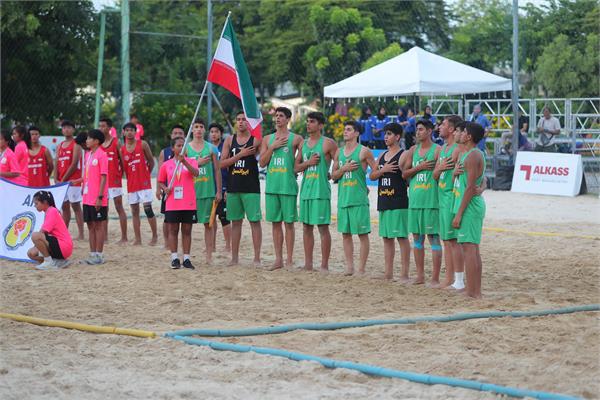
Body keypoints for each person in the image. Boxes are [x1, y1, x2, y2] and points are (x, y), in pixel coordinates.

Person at [332, 120, 378, 276]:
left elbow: (375, 172)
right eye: (345, 129)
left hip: (358, 199)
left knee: (362, 234)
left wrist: (366, 186)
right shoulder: (339, 152)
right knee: (346, 234)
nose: (345, 132)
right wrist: (344, 168)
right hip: (343, 198)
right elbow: (333, 175)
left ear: (357, 133)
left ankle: (361, 268)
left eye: (349, 129)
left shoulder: (364, 151)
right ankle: (349, 266)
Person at [259, 106, 303, 271]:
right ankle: (278, 259)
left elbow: (300, 162)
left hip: (288, 186)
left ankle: (290, 260)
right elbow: (262, 163)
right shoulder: (267, 139)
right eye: (276, 115)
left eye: (281, 116)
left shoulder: (296, 139)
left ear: (288, 119)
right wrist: (272, 147)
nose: (277, 118)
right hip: (272, 186)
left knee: (289, 224)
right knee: (275, 224)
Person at [401, 119, 442, 286]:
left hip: (431, 201)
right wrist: (421, 167)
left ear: (430, 131)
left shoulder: (438, 150)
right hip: (415, 201)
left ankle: (435, 278)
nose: (417, 132)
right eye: (417, 130)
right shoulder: (413, 150)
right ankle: (420, 276)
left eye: (421, 130)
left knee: (434, 239)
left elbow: (441, 173)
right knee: (417, 240)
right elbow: (404, 173)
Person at [294, 111, 336, 272]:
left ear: (320, 125)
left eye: (311, 121)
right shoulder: (302, 144)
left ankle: (324, 265)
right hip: (306, 190)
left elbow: (337, 163)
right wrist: (309, 163)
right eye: (307, 121)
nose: (308, 124)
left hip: (320, 191)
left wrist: (331, 173)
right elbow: (295, 168)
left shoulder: (328, 143)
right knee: (306, 227)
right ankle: (308, 263)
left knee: (323, 228)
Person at [369, 123, 410, 282]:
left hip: (398, 201)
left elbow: (407, 176)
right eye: (385, 134)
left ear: (398, 137)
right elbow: (372, 176)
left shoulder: (404, 154)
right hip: (384, 199)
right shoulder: (382, 155)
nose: (386, 137)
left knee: (401, 237)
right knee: (386, 238)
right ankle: (388, 273)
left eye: (389, 134)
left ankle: (405, 274)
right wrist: (382, 171)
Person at [220, 112, 262, 266]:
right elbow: (221, 164)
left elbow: (262, 156)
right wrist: (240, 155)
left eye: (244, 119)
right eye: (238, 119)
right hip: (233, 187)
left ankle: (257, 258)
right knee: (235, 223)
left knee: (254, 222)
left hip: (251, 187)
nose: (241, 122)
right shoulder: (229, 140)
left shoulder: (255, 140)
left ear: (249, 123)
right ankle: (235, 258)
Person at [452, 122, 487, 299]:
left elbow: (470, 187)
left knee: (470, 248)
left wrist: (459, 213)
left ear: (469, 136)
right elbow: (479, 181)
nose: (461, 133)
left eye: (463, 131)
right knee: (472, 248)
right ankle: (473, 290)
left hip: (470, 206)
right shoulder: (470, 154)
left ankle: (474, 292)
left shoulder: (473, 155)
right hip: (470, 204)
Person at [156, 137, 199, 270]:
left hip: (188, 202)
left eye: (183, 146)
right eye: (179, 146)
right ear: (173, 148)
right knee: (173, 230)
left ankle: (186, 258)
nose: (181, 148)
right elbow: (160, 181)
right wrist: (165, 188)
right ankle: (174, 258)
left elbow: (196, 173)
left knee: (187, 231)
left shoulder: (192, 161)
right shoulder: (167, 164)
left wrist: (184, 162)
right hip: (173, 202)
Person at [433, 115, 463, 289]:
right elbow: (435, 175)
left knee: (452, 240)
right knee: (446, 240)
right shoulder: (444, 148)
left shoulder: (457, 149)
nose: (439, 127)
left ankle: (456, 279)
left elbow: (461, 174)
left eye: (443, 124)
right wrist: (441, 168)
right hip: (442, 197)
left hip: (451, 197)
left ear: (451, 129)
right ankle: (450, 278)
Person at [186, 119, 222, 265]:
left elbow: (217, 170)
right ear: (192, 130)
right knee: (187, 225)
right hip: (191, 192)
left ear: (204, 130)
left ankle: (209, 256)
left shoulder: (212, 148)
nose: (199, 130)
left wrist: (219, 191)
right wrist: (196, 162)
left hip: (208, 191)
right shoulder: (186, 149)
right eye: (196, 127)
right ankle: (186, 255)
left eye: (201, 127)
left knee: (209, 224)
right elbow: (182, 169)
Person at [120, 122, 158, 246]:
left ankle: (155, 236)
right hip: (131, 185)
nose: (129, 132)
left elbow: (151, 162)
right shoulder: (122, 149)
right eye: (127, 130)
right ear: (123, 132)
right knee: (134, 211)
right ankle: (138, 239)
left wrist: (146, 174)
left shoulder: (143, 144)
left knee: (148, 209)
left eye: (132, 130)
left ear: (135, 132)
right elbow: (124, 169)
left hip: (144, 183)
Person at [81, 129, 109, 265]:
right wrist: (81, 185)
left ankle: (99, 254)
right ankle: (92, 254)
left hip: (97, 197)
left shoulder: (102, 155)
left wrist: (100, 196)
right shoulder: (88, 155)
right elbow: (87, 175)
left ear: (96, 141)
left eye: (89, 138)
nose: (86, 141)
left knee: (98, 225)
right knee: (90, 225)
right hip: (87, 196)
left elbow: (104, 177)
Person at [98, 117, 128, 243]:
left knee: (119, 207)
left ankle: (124, 237)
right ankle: (104, 237)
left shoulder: (116, 142)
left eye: (104, 126)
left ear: (110, 128)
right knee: (104, 209)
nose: (101, 128)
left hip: (115, 181)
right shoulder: (98, 144)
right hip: (102, 182)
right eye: (100, 126)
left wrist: (120, 175)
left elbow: (122, 161)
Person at [27, 190, 73, 270]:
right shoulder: (49, 211)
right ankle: (57, 261)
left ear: (45, 202)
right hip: (60, 245)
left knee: (35, 236)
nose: (35, 206)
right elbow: (43, 233)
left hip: (63, 246)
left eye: (36, 203)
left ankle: (49, 262)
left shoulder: (52, 211)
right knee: (31, 253)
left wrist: (37, 245)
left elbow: (43, 232)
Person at [157, 124, 186, 248]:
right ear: (171, 135)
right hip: (169, 191)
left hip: (185, 190)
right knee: (167, 218)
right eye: (175, 133)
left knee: (184, 220)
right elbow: (160, 174)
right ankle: (167, 242)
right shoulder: (165, 152)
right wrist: (159, 189)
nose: (178, 135)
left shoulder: (187, 151)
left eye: (180, 133)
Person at [55, 120, 84, 240]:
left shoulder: (76, 144)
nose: (66, 129)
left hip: (73, 181)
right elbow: (56, 162)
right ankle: (65, 232)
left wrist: (63, 179)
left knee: (76, 206)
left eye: (69, 127)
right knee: (65, 207)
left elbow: (74, 163)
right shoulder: (60, 145)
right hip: (62, 181)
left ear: (73, 130)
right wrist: (56, 178)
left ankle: (81, 233)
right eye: (64, 127)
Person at [209, 122, 231, 252]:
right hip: (209, 186)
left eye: (216, 131)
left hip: (223, 186)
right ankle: (212, 245)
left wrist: (227, 188)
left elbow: (228, 168)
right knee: (211, 216)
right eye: (211, 132)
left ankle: (228, 245)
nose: (214, 134)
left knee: (223, 217)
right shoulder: (207, 148)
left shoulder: (224, 147)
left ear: (221, 134)